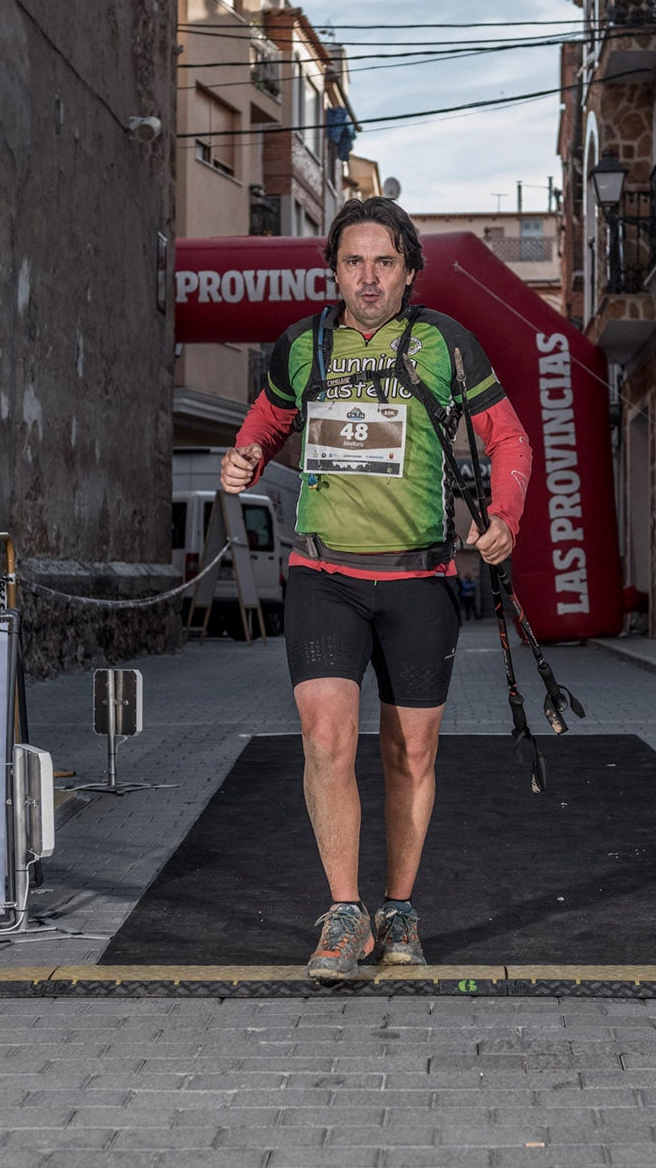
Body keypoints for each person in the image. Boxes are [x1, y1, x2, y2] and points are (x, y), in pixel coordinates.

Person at [222, 197, 533, 980]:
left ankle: (397, 907)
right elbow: (264, 422)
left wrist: (504, 515)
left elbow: (509, 437)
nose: (367, 277)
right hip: (323, 573)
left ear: (409, 272)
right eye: (354, 262)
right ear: (334, 269)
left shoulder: (445, 344)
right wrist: (244, 459)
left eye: (384, 262)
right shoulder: (303, 346)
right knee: (326, 738)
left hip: (419, 577)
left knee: (411, 751)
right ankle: (342, 913)